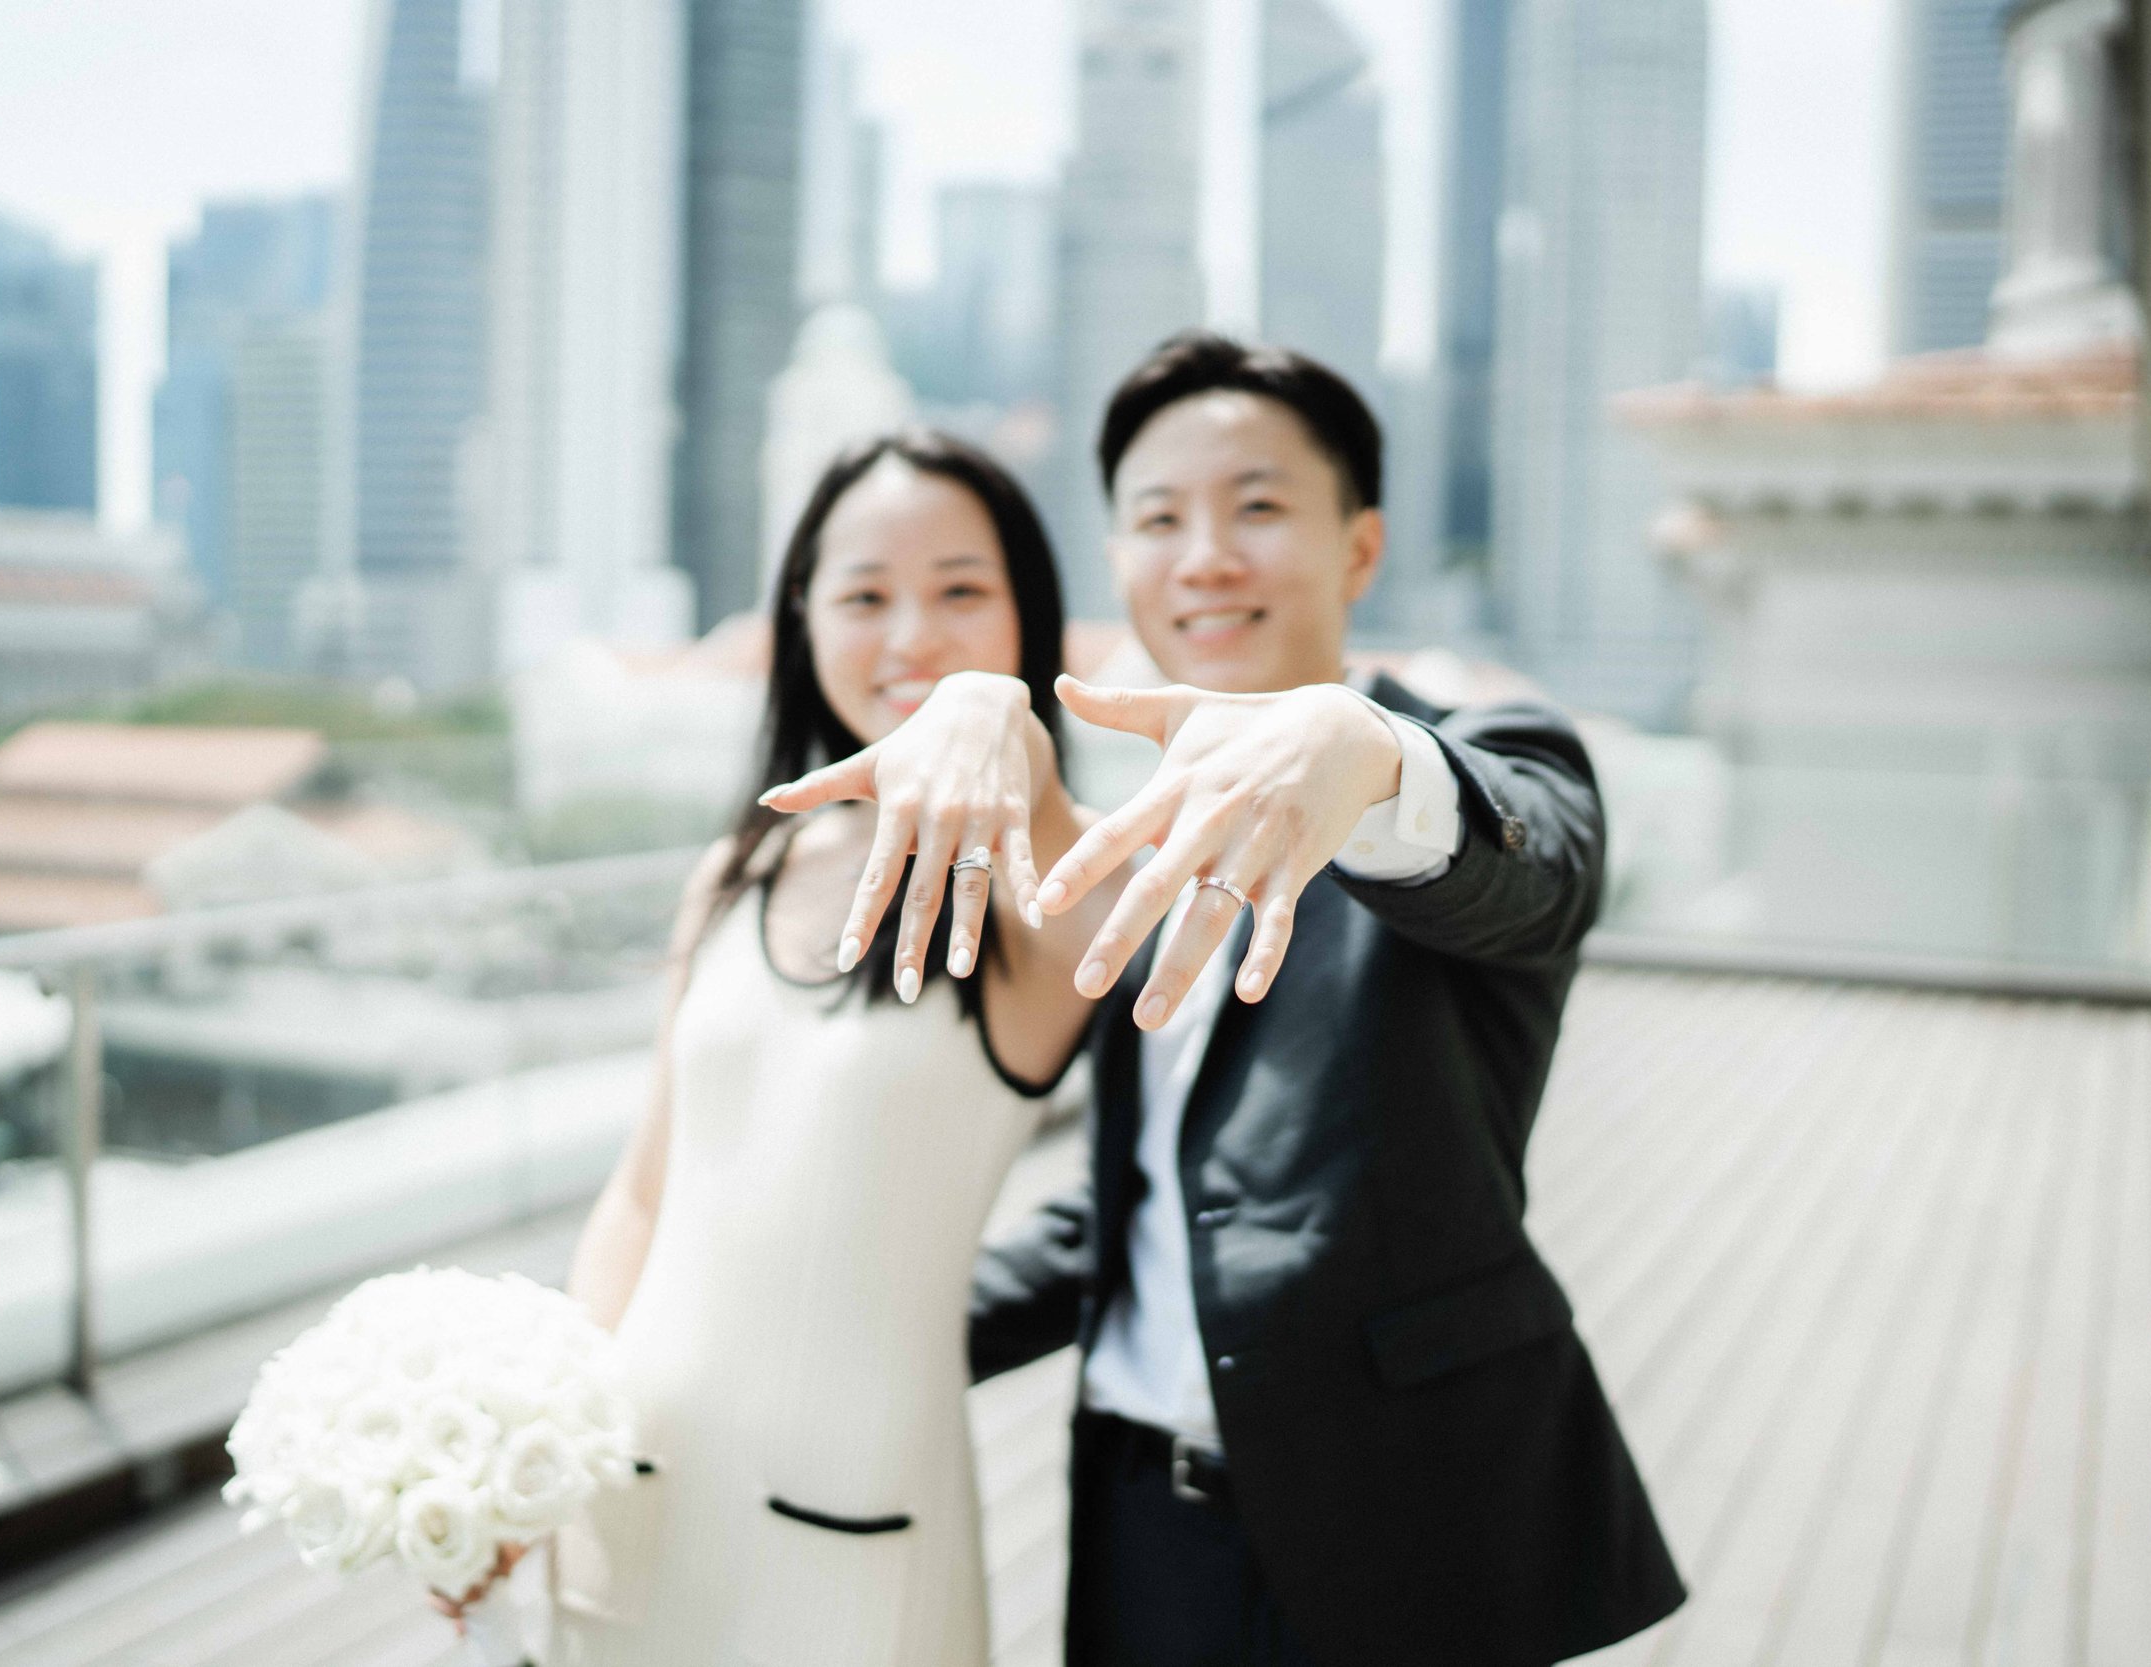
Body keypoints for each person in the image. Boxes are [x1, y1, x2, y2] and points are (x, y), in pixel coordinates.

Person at [805, 332, 1686, 1666]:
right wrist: (860, 1328)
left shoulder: (1473, 756)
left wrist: (1364, 756)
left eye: (1259, 506)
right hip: (1142, 1523)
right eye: (1159, 518)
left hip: (1411, 1527)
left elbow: (1537, 867)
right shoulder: (1127, 834)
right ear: (1120, 563)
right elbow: (1155, 1197)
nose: (1204, 554)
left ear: (1362, 547)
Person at [513, 431, 1115, 1667]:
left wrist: (999, 715)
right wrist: (537, 1443)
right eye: (863, 594)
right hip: (629, 1478)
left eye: (960, 591)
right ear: (801, 618)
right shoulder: (741, 867)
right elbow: (642, 1194)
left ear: (1027, 617)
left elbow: (1096, 893)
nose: (910, 635)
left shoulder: (1051, 889)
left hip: (845, 1522)